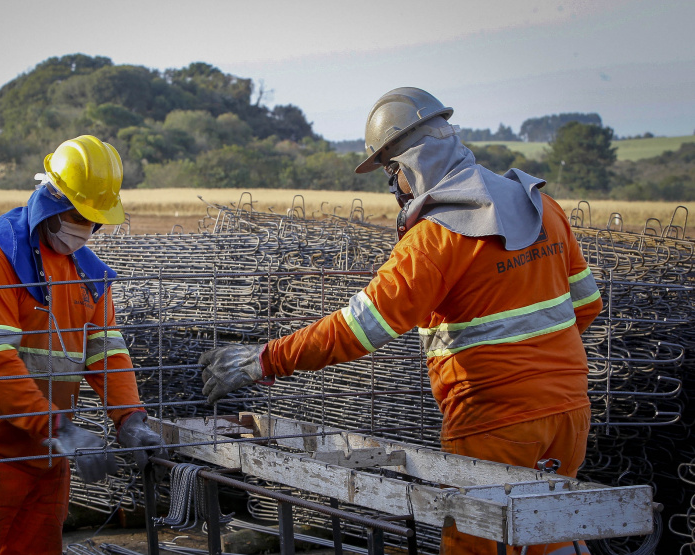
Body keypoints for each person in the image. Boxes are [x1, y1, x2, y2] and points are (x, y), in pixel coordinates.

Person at [199, 88, 602, 555]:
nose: (393, 187)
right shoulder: (540, 206)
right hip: (571, 412)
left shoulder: (437, 238)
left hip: (494, 422)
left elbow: (359, 328)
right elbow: (586, 305)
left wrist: (263, 359)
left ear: (413, 164)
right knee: (548, 533)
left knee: (477, 541)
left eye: (392, 171)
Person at [0, 135, 165, 554]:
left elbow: (106, 351)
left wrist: (130, 418)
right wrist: (61, 427)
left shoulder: (90, 274)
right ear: (52, 199)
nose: (88, 230)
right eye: (80, 216)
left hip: (48, 454)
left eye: (96, 221)